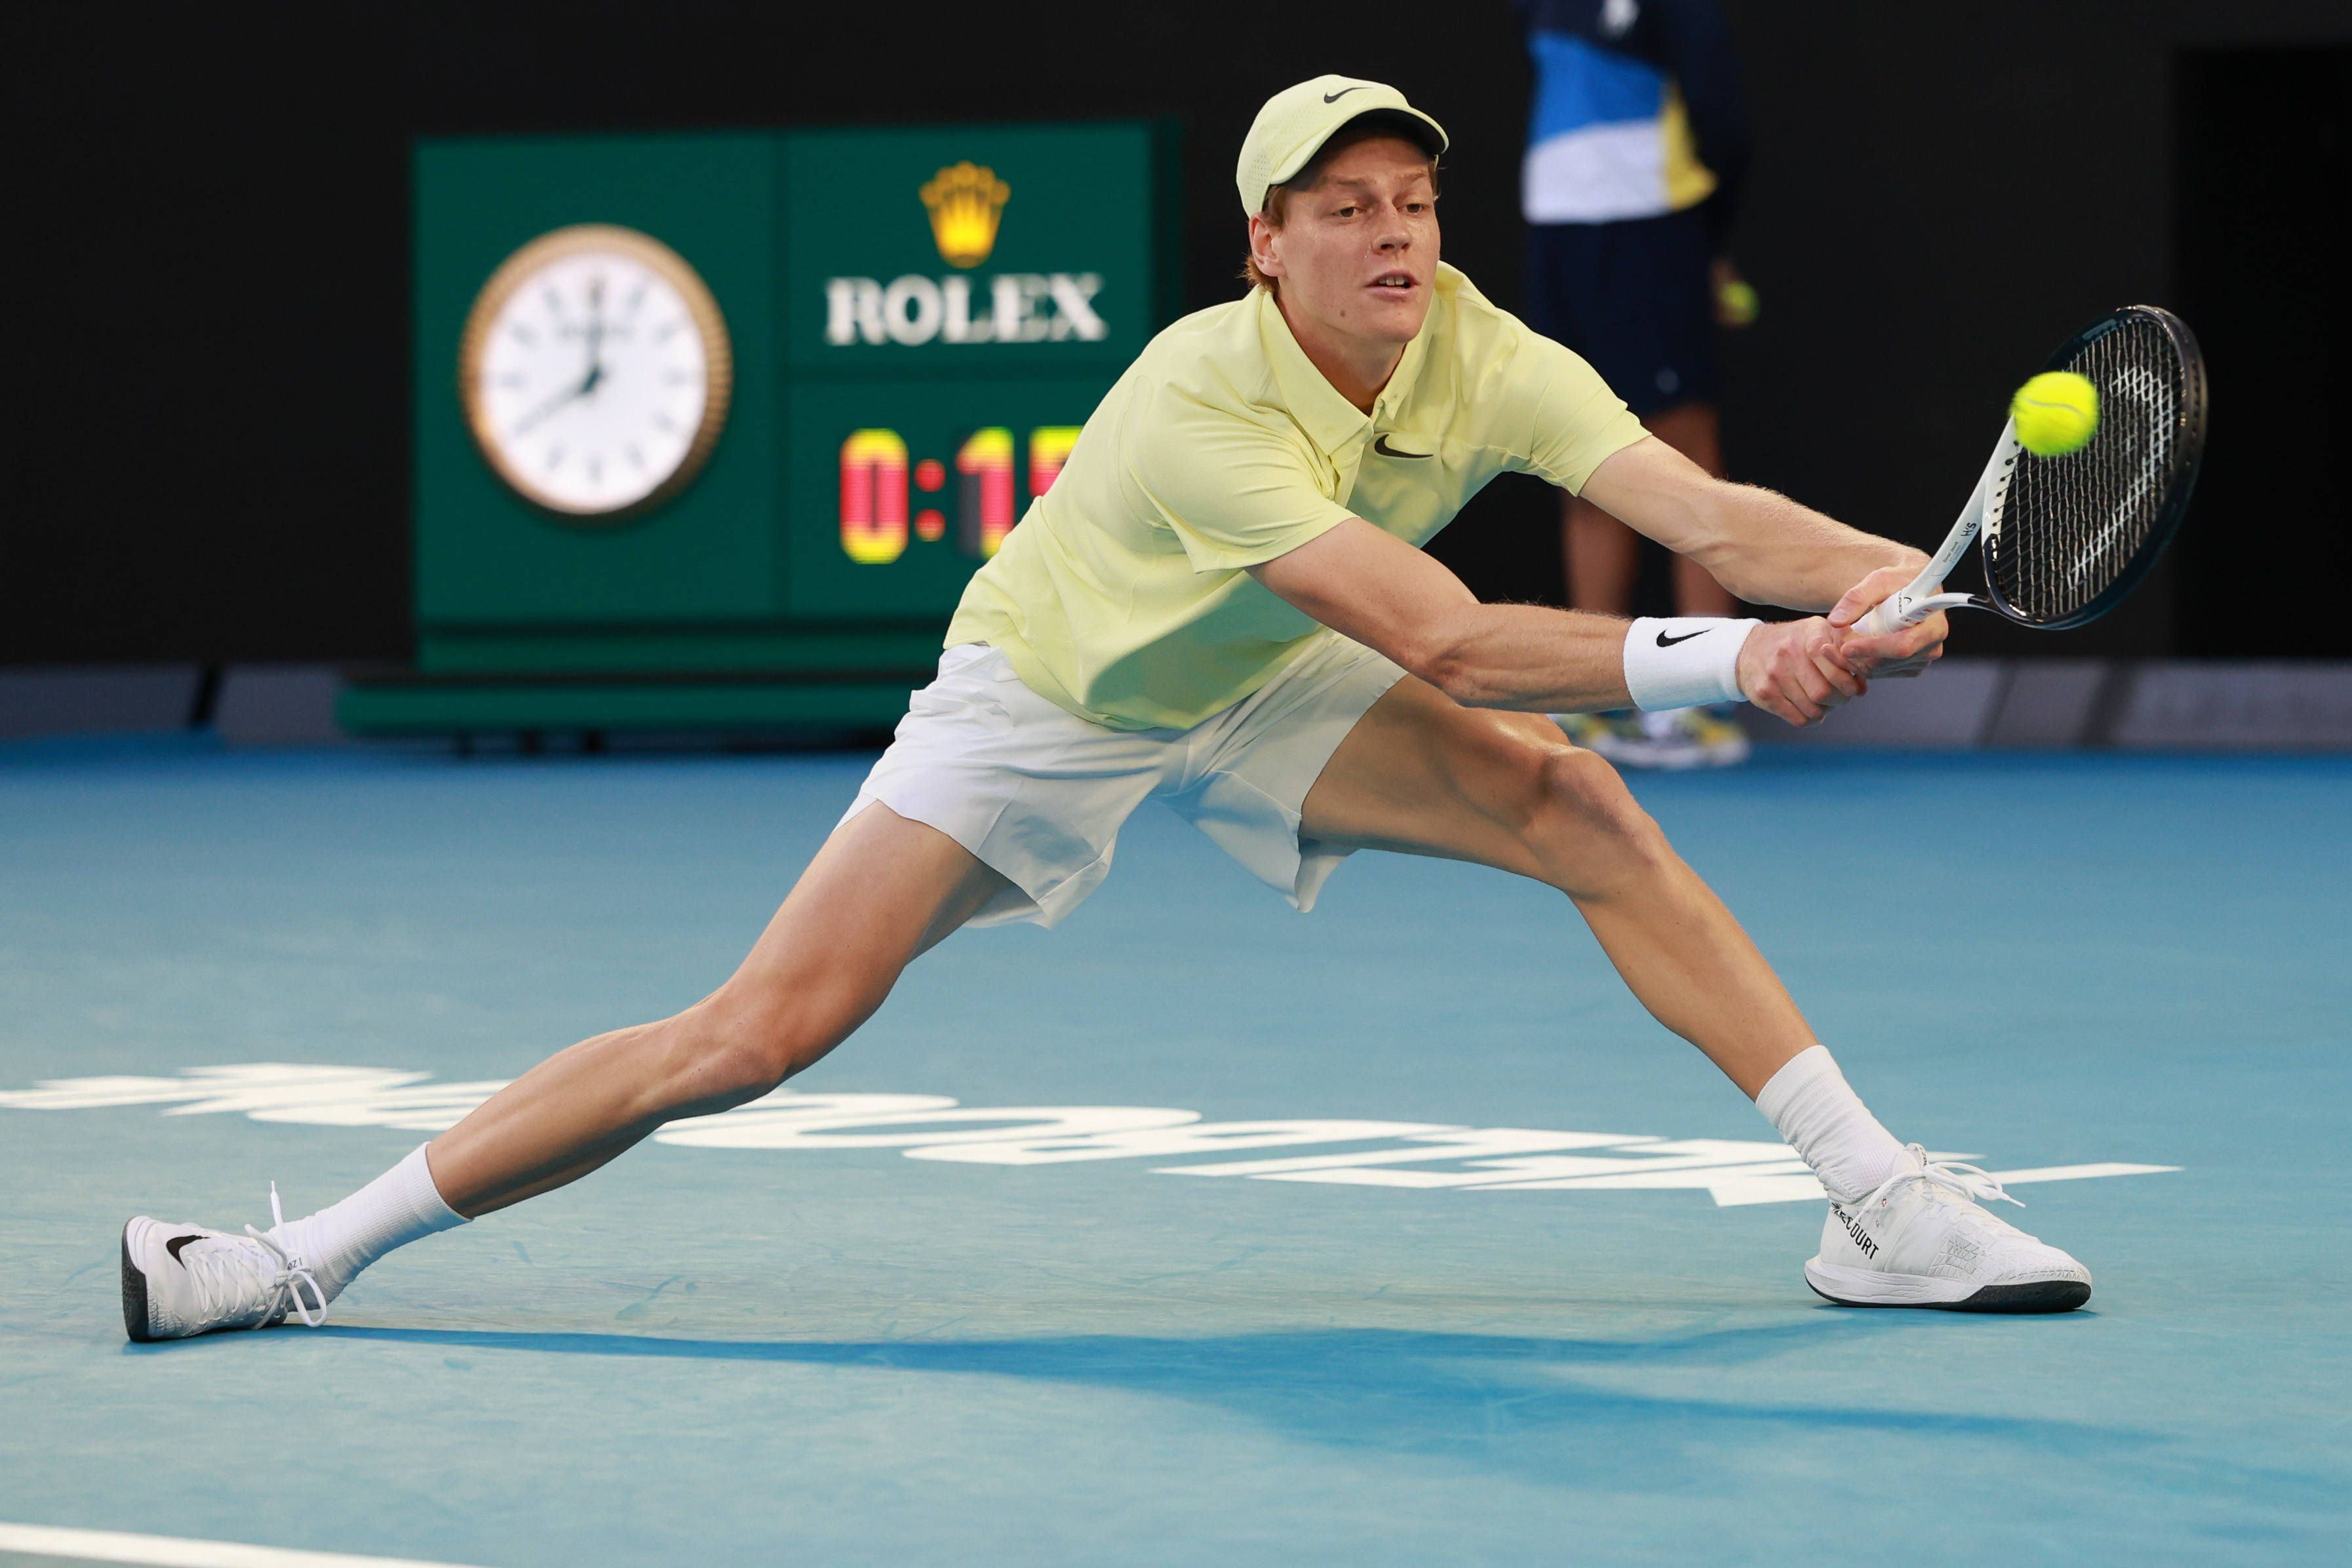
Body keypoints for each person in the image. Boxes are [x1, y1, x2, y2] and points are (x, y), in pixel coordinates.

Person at [120, 77, 2092, 1343]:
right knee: (749, 1033)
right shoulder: (1195, 400)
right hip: (1050, 694)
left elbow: (1698, 510)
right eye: (1343, 207)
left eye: (1411, 196)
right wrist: (1730, 660)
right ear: (1261, 244)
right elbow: (1455, 638)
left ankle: (1878, 1199)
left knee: (1579, 815)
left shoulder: (1471, 336)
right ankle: (305, 1251)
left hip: (1264, 678)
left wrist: (1864, 577)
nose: (1394, 232)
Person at [1517, 0, 1757, 768]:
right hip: (1557, 233)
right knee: (1577, 457)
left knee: (1684, 463)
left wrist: (1704, 239)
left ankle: (1704, 697)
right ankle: (1594, 698)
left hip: (1653, 228)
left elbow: (1722, 120)